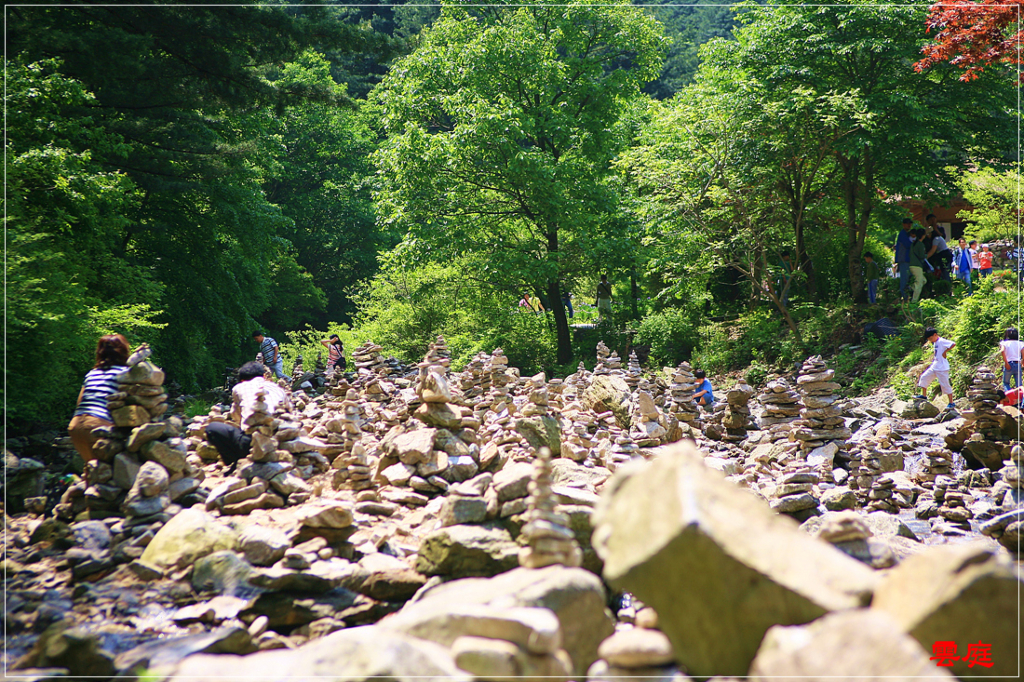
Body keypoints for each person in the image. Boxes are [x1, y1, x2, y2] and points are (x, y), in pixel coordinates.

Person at [206, 361, 292, 471]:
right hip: (282, 439)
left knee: (212, 428)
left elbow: (237, 417)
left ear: (242, 379)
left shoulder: (239, 387)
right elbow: (290, 413)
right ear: (264, 376)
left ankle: (237, 459)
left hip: (253, 442)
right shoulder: (277, 388)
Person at [68, 334, 131, 463]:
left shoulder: (91, 374)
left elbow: (79, 403)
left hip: (75, 426)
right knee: (112, 473)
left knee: (92, 471)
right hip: (99, 426)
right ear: (124, 351)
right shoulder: (126, 373)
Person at [916, 327, 956, 409]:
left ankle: (951, 403)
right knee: (924, 377)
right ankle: (924, 395)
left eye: (931, 338)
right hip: (935, 366)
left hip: (942, 368)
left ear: (935, 335)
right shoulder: (935, 342)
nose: (930, 340)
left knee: (945, 385)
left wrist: (945, 352)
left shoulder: (941, 341)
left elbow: (953, 344)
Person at [893, 218, 914, 301]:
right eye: (907, 223)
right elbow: (908, 244)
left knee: (909, 279)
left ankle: (908, 297)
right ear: (903, 224)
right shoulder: (902, 234)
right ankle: (904, 298)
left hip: (908, 259)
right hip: (904, 259)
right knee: (904, 279)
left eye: (910, 223)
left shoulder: (908, 234)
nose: (909, 225)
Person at [1000, 327, 1022, 392]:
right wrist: (1022, 361)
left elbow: (1002, 351)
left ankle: (1010, 396)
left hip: (1009, 363)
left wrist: (1006, 363)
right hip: (1018, 364)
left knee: (1006, 383)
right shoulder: (1020, 343)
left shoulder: (1004, 343)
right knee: (1019, 385)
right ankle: (1021, 400)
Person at [908, 229, 928, 302]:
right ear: (923, 236)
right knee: (919, 284)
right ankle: (914, 301)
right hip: (917, 266)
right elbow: (922, 256)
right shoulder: (920, 244)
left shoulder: (912, 244)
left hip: (911, 264)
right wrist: (926, 255)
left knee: (923, 280)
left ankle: (910, 288)